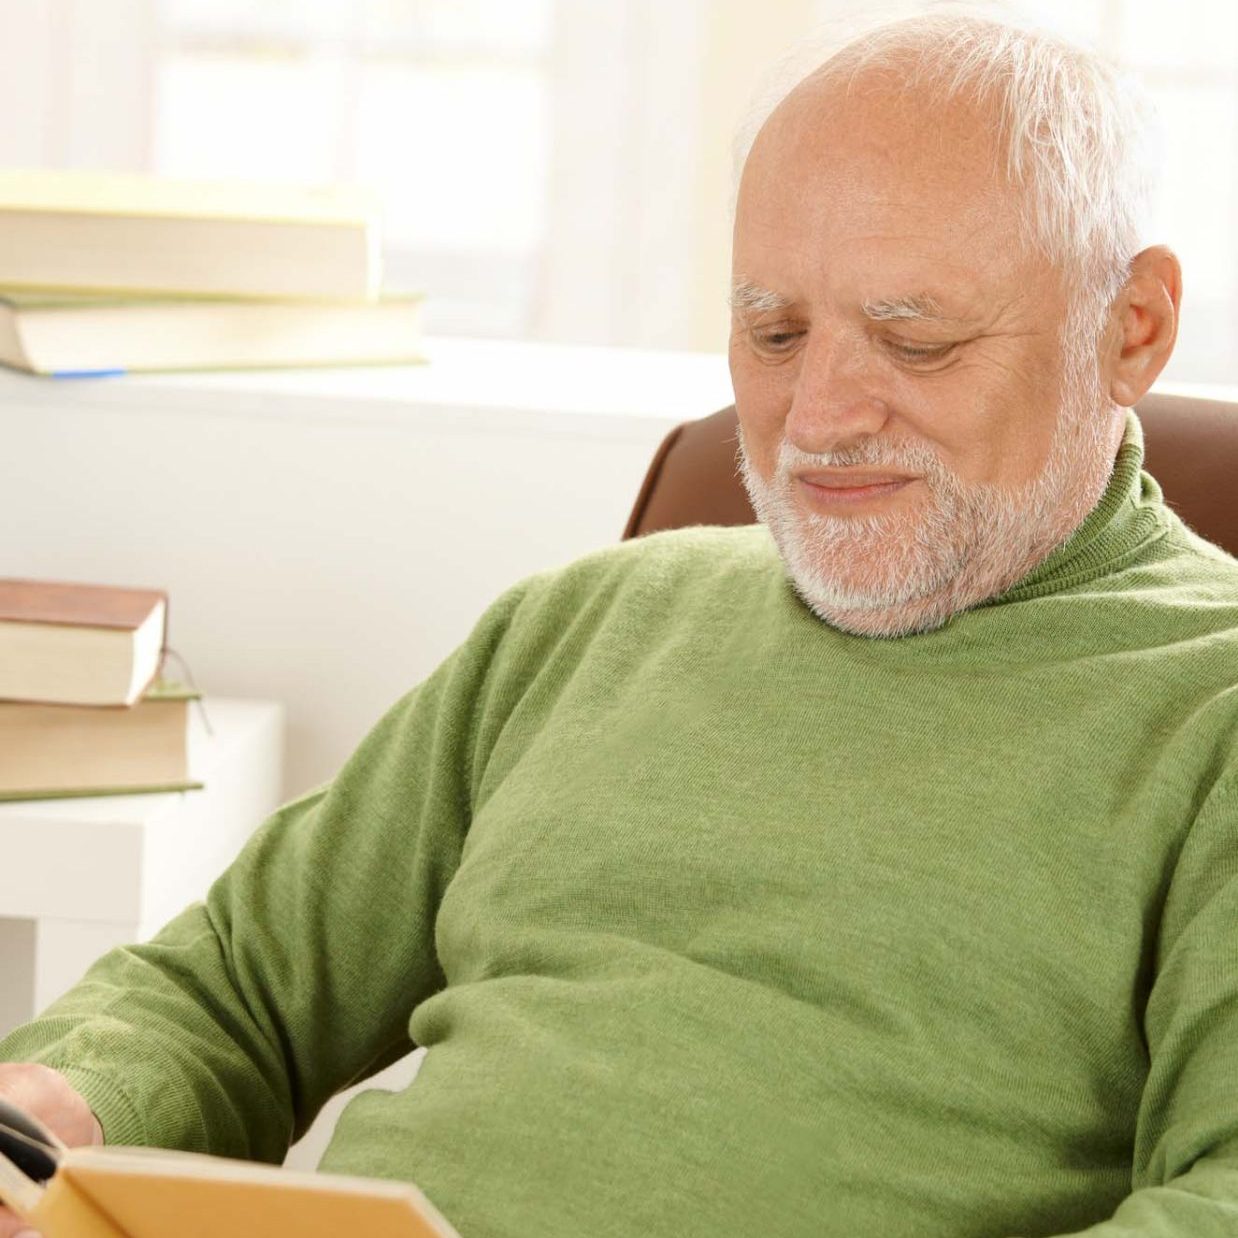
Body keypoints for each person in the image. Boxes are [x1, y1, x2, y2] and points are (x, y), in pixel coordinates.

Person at [3, 10, 1237, 1238]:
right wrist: (64, 1109)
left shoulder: (1207, 709)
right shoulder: (591, 622)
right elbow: (234, 989)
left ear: (1129, 325)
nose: (817, 414)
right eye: (774, 331)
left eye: (912, 337)